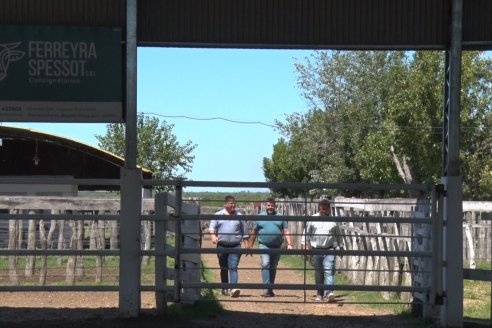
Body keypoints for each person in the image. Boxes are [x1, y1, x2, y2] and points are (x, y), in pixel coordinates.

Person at [248, 198, 293, 297]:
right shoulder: (260, 217)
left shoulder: (280, 217)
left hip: (277, 246)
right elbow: (254, 232)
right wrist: (250, 246)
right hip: (264, 245)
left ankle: (270, 289)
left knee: (273, 267)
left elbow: (286, 231)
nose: (270, 207)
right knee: (265, 264)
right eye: (268, 205)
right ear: (266, 206)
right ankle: (266, 289)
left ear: (275, 206)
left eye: (272, 205)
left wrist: (289, 244)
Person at [301, 199, 343, 302]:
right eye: (322, 209)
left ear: (329, 209)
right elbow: (306, 233)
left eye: (325, 209)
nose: (323, 211)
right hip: (316, 249)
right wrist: (305, 244)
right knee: (319, 272)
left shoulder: (334, 221)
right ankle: (319, 294)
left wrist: (341, 246)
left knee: (329, 271)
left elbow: (339, 236)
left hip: (329, 250)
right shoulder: (313, 219)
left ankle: (329, 293)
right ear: (319, 208)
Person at [209, 195, 250, 297]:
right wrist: (213, 236)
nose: (233, 205)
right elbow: (212, 228)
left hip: (235, 246)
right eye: (231, 203)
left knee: (233, 267)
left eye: (234, 203)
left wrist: (247, 246)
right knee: (223, 268)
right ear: (225, 204)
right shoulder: (218, 215)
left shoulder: (239, 216)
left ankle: (233, 288)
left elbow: (244, 233)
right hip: (221, 246)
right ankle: (224, 288)